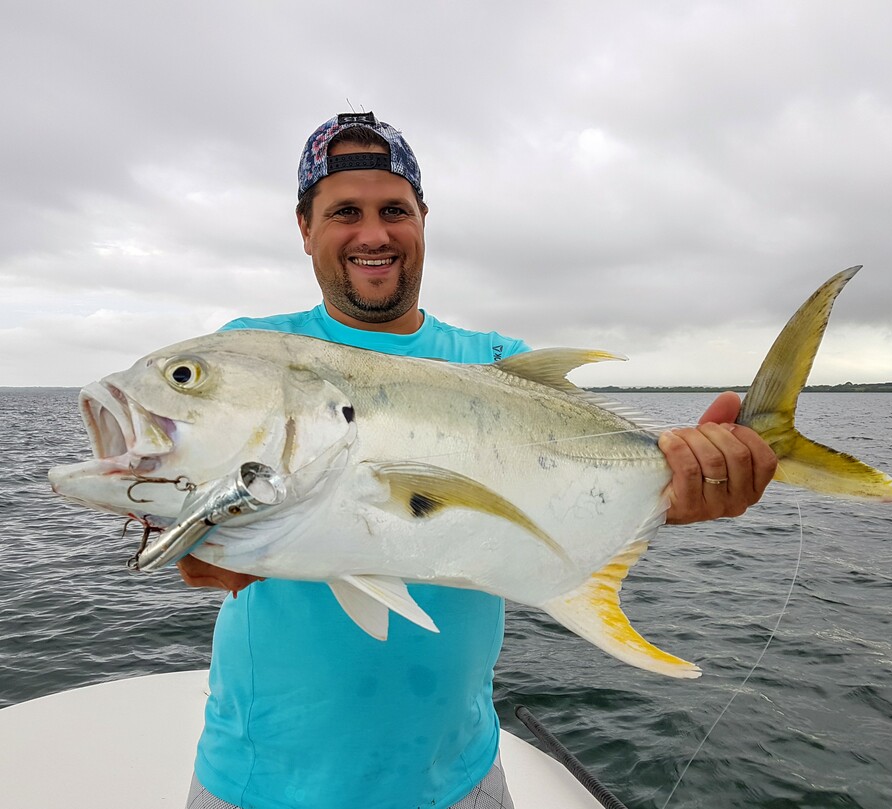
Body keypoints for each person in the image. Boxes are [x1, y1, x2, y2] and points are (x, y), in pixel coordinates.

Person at [177, 112, 778, 809]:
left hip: (454, 776)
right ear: (305, 227)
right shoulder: (253, 352)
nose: (373, 233)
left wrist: (684, 487)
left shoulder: (496, 363)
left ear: (422, 220)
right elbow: (179, 517)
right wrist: (198, 542)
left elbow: (577, 494)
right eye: (345, 211)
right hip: (260, 779)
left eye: (393, 210)